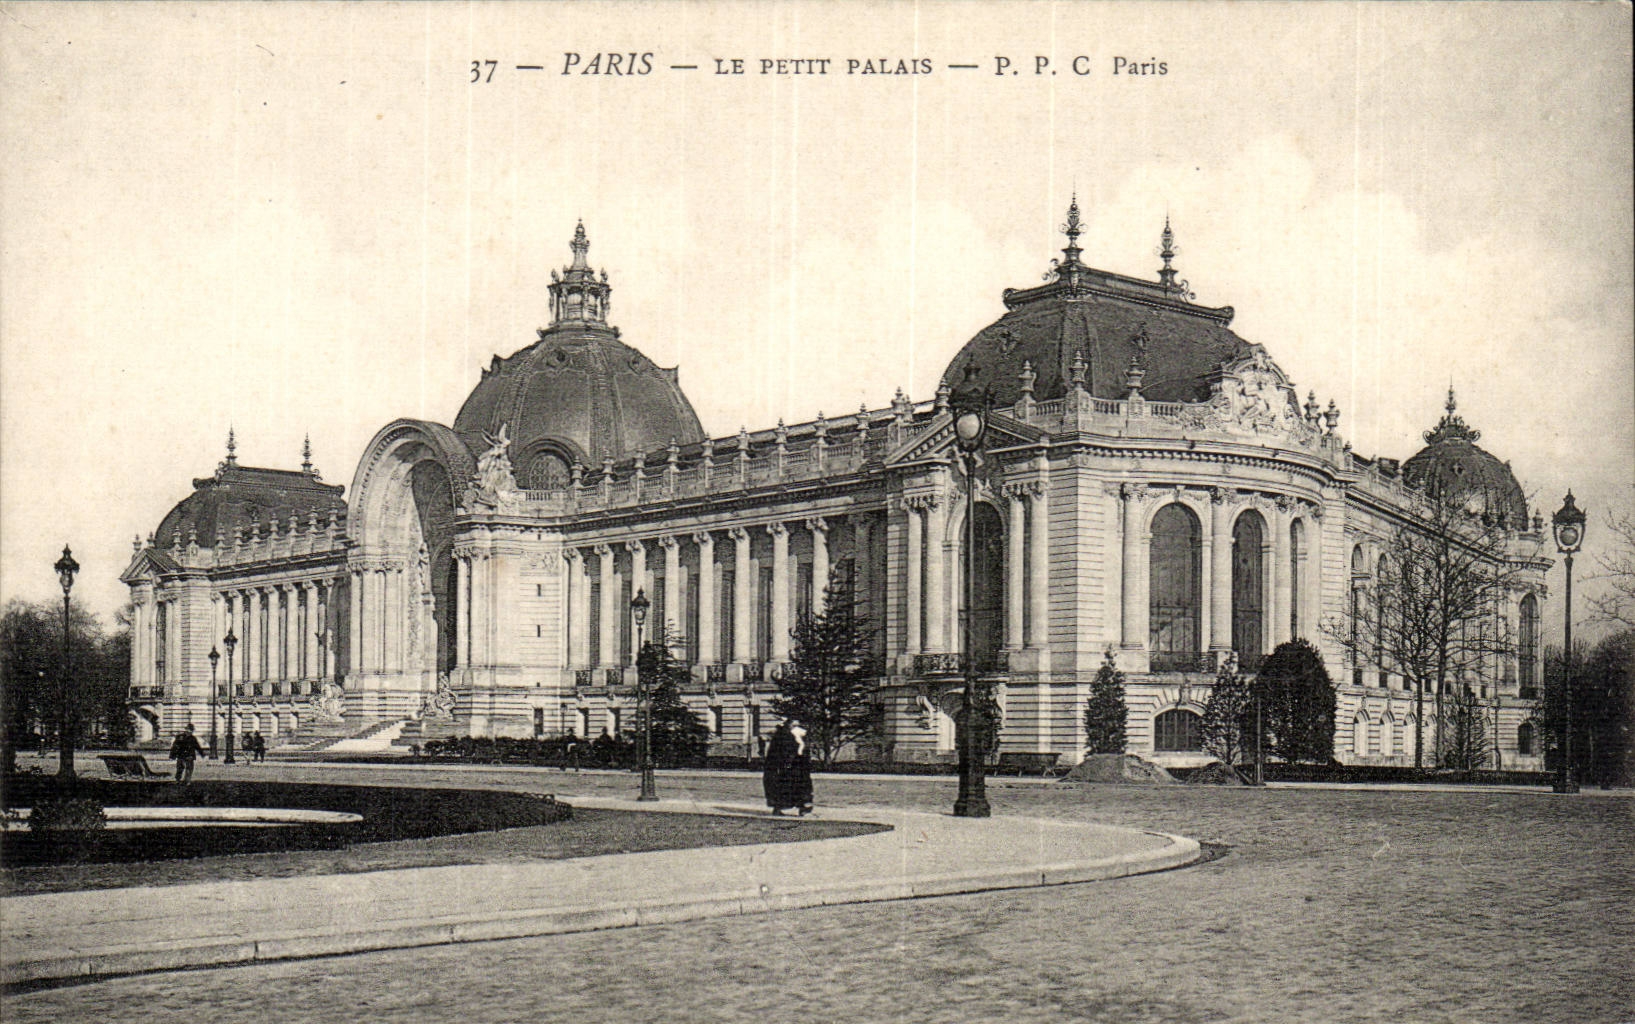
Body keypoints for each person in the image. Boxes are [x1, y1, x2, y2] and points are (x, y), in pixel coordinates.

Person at [763, 721, 815, 816]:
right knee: (784, 788)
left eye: (797, 725)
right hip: (786, 767)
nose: (796, 727)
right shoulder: (782, 736)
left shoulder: (801, 735)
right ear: (788, 725)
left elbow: (805, 751)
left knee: (802, 787)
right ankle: (779, 808)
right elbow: (777, 753)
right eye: (793, 725)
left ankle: (804, 808)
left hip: (799, 767)